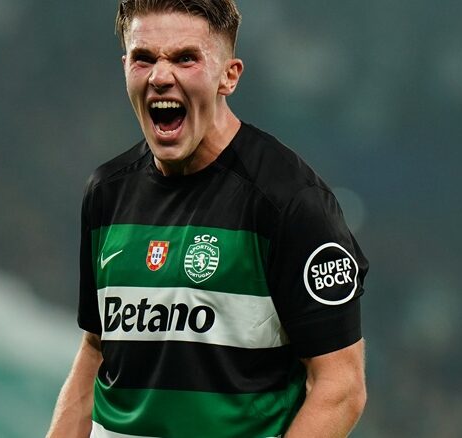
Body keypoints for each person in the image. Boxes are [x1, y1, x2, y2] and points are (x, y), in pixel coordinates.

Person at [47, 1, 368, 437]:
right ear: (125, 68)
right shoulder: (106, 193)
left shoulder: (291, 203)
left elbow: (341, 386)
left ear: (229, 76)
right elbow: (95, 348)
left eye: (185, 58)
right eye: (144, 58)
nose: (161, 76)